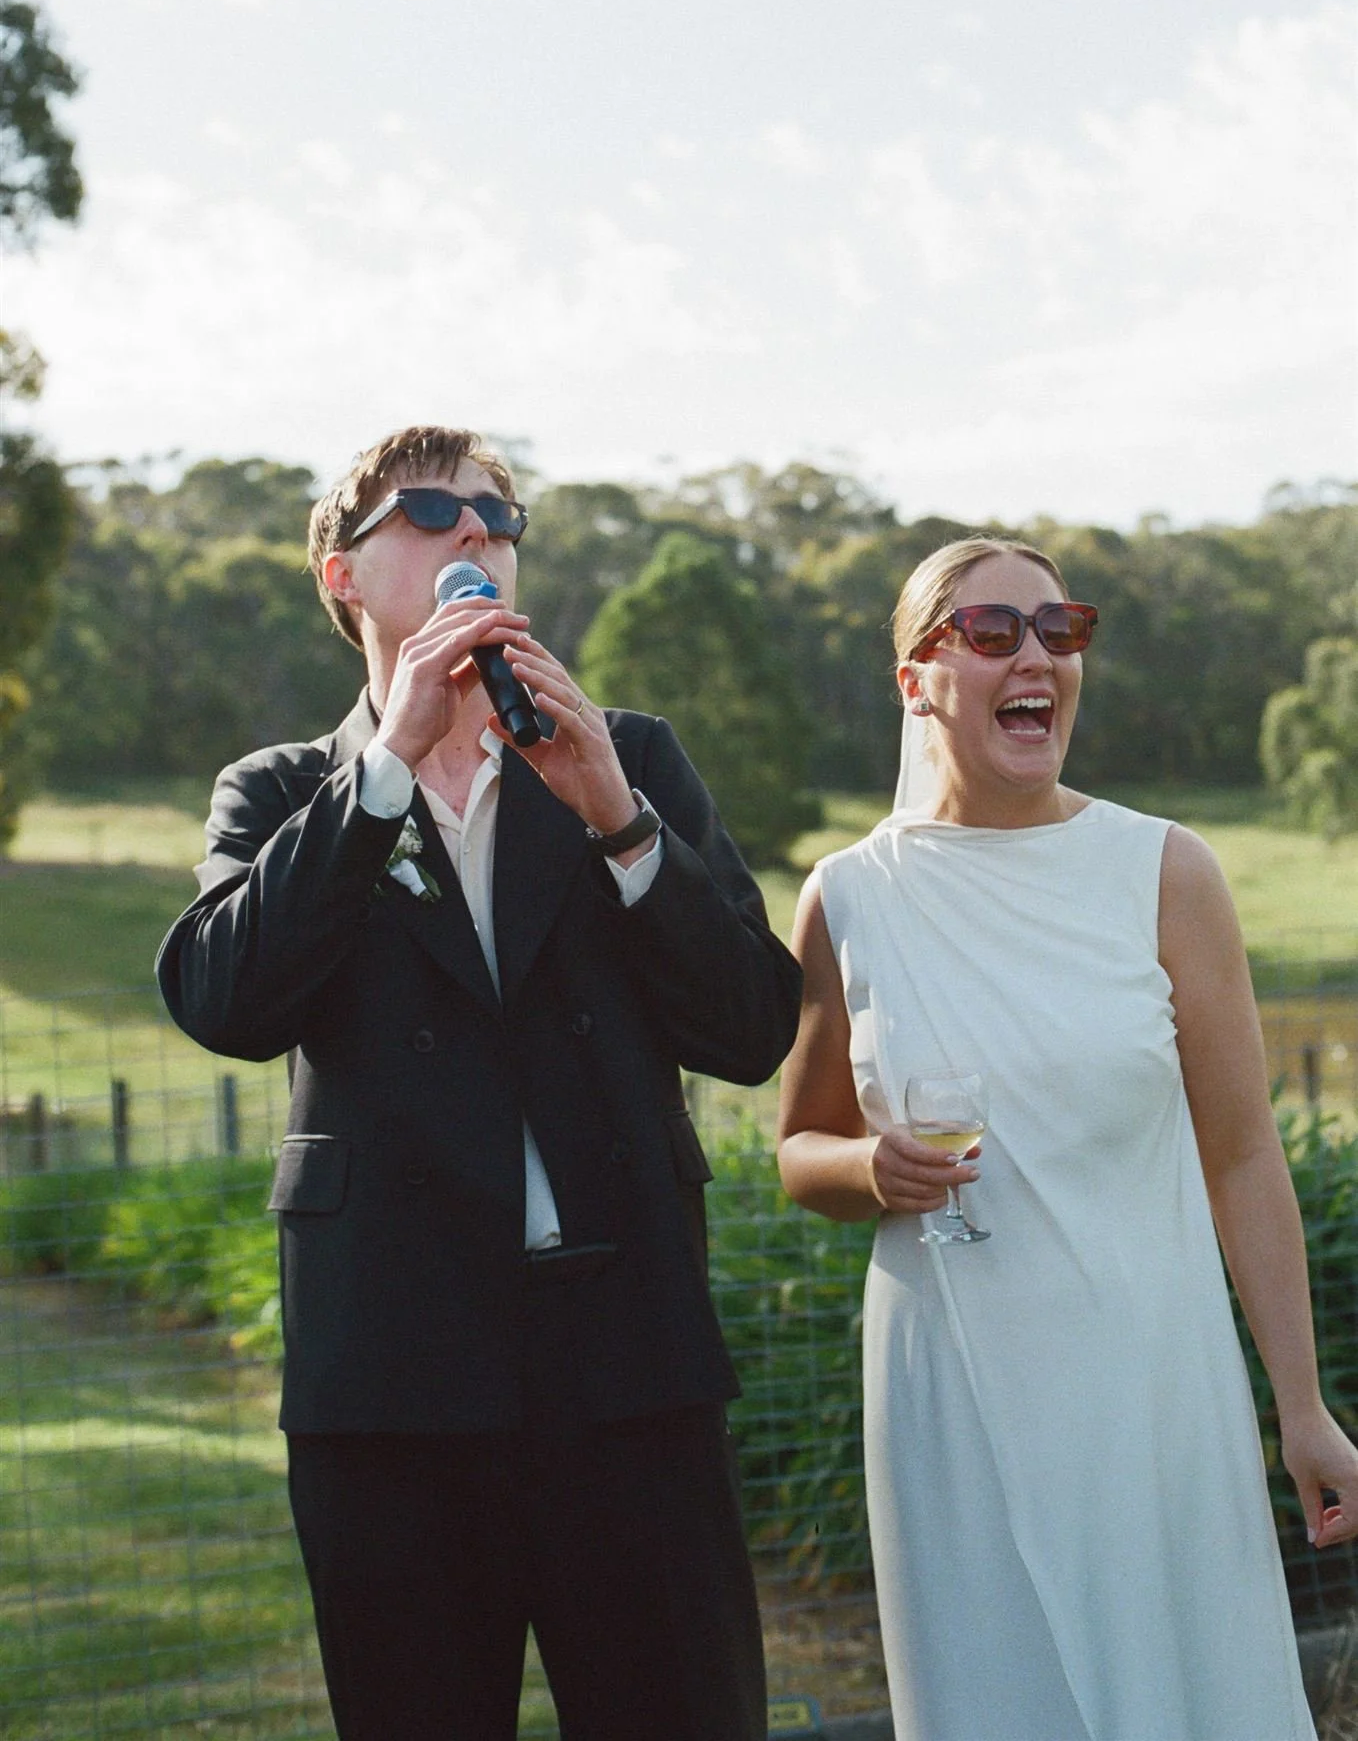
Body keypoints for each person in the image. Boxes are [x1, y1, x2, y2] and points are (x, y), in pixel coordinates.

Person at [156, 424, 801, 1741]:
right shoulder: (285, 792)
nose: (477, 536)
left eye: (501, 519)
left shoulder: (627, 757)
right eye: (435, 511)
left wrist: (618, 818)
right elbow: (224, 1000)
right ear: (344, 576)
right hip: (391, 1377)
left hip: (629, 1369)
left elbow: (750, 1027)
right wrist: (383, 772)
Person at [776, 534, 1358, 1741]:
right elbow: (799, 1149)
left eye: (1058, 627)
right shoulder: (847, 894)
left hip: (1148, 1382)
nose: (1035, 653)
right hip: (951, 1391)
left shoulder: (1163, 871)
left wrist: (1300, 1405)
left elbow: (1242, 1154)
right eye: (991, 631)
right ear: (915, 678)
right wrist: (870, 1168)